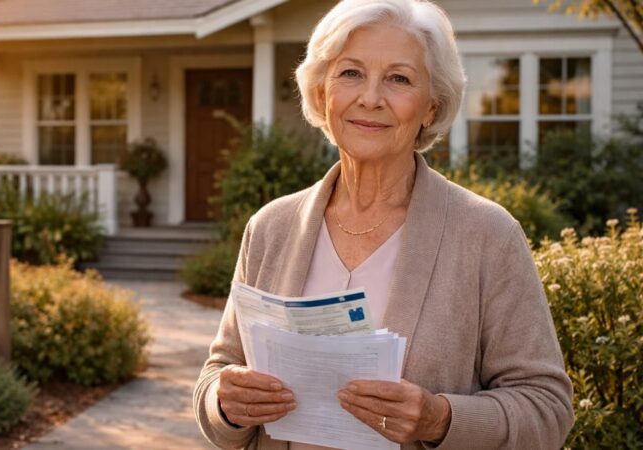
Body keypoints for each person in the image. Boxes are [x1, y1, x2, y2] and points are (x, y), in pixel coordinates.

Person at [193, 0, 575, 448]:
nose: (370, 98)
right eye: (350, 73)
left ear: (430, 108)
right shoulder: (271, 227)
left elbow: (548, 410)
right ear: (321, 94)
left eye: (398, 78)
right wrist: (225, 403)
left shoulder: (488, 236)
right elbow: (217, 374)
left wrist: (441, 420)